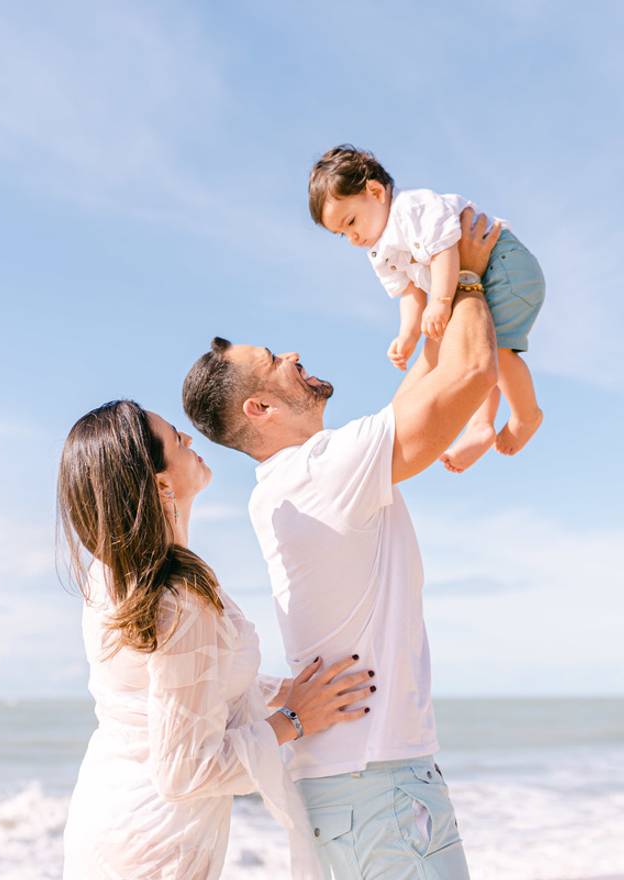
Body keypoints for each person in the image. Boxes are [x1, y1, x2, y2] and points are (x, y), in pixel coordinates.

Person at [182, 211, 499, 879]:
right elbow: (468, 373)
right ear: (260, 409)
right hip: (378, 787)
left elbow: (424, 385)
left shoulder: (289, 483)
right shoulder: (320, 471)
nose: (293, 356)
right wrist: (469, 274)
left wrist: (431, 290)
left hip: (359, 787)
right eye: (274, 362)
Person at [58, 399, 375, 880]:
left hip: (108, 817)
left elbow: (180, 684)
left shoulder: (115, 577)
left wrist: (283, 690)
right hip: (156, 848)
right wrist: (295, 719)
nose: (191, 439)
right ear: (160, 484)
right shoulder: (176, 598)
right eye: (176, 439)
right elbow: (188, 770)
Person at [308, 144, 545, 472]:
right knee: (474, 346)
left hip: (504, 266)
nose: (353, 237)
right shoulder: (379, 251)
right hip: (476, 279)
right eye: (342, 234)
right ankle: (481, 424)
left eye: (351, 222)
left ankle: (526, 415)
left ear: (375, 192)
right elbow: (409, 293)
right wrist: (407, 335)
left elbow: (444, 250)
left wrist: (442, 301)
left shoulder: (412, 208)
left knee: (497, 351)